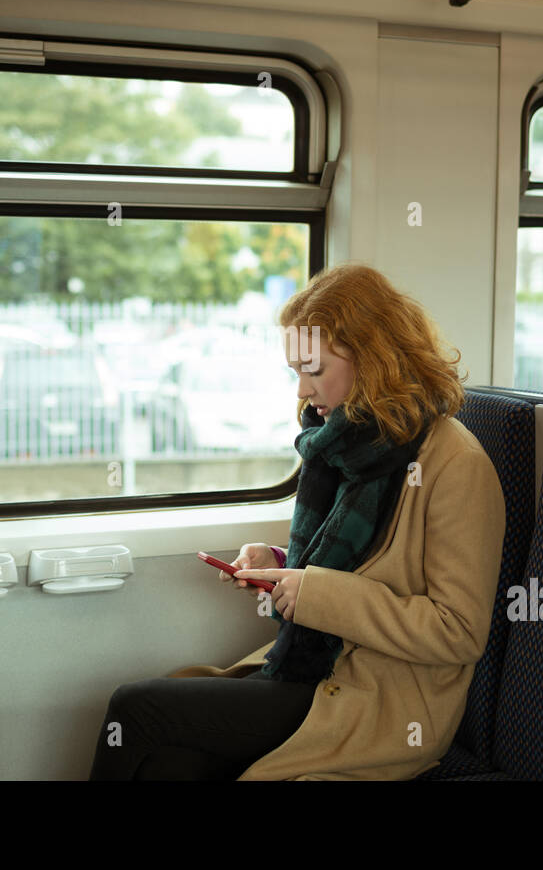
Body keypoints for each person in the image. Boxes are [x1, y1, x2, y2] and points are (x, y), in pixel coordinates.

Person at [88, 263, 505, 780]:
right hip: (315, 671)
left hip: (385, 703)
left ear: (373, 359)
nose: (304, 391)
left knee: (137, 710)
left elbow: (459, 632)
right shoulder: (344, 447)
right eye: (297, 373)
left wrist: (313, 592)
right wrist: (281, 567)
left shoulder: (455, 464)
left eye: (314, 370)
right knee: (173, 759)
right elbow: (349, 569)